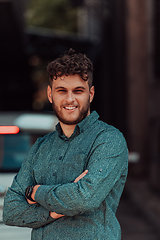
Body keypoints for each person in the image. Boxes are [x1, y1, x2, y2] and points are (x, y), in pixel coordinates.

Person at [3, 49, 128, 240]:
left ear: (91, 94)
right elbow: (11, 211)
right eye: (62, 91)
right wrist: (54, 211)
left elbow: (84, 199)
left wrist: (35, 192)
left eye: (78, 91)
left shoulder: (108, 140)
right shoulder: (40, 147)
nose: (70, 99)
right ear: (50, 94)